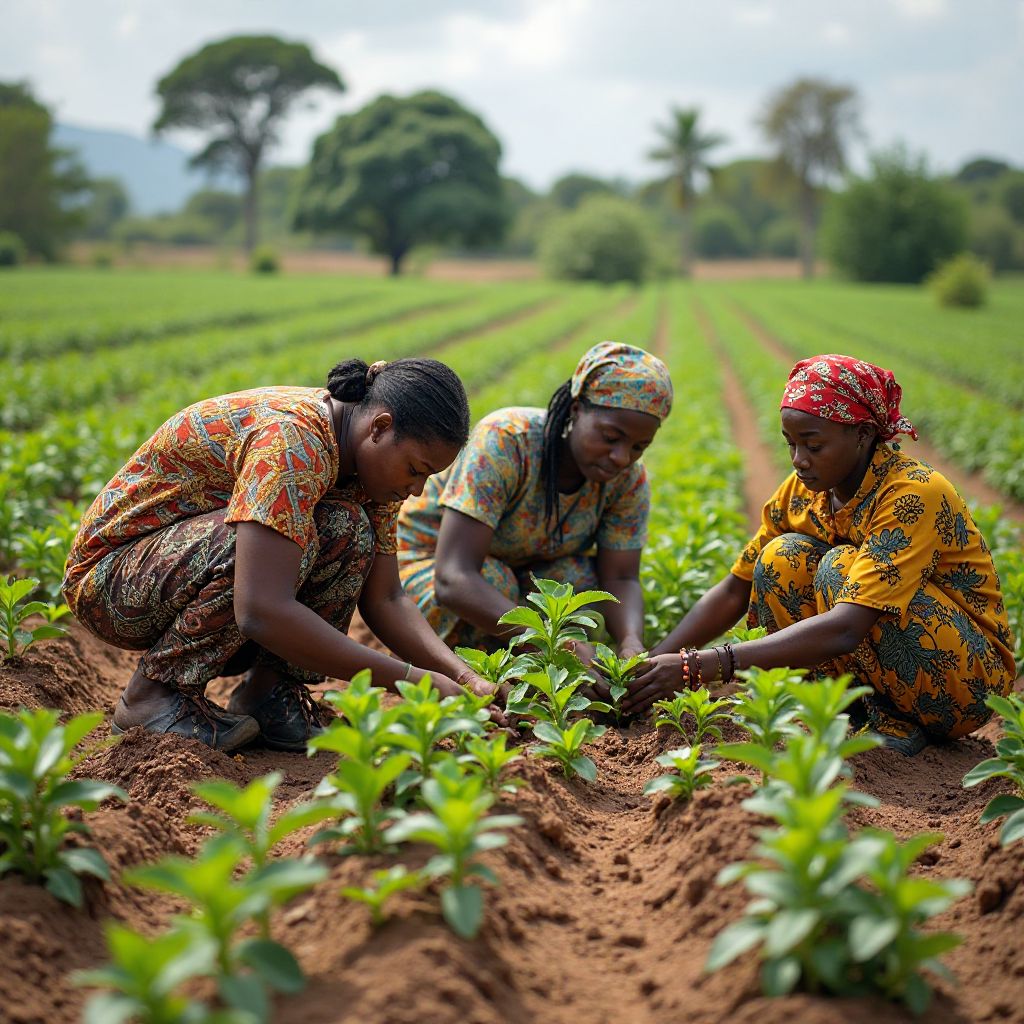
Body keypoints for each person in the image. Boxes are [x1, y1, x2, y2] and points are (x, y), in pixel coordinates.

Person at [62, 358, 496, 753]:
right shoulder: (292, 444)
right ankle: (151, 695)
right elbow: (261, 609)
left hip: (171, 571)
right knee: (272, 545)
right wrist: (412, 679)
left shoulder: (373, 472)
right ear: (379, 428)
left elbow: (385, 599)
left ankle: (269, 693)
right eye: (416, 470)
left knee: (347, 530)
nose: (417, 490)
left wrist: (463, 678)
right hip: (110, 580)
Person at [624, 354, 1015, 755]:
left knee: (838, 569)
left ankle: (895, 722)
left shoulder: (913, 493)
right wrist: (649, 668)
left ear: (862, 434)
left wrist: (702, 665)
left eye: (813, 445)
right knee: (781, 558)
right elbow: (733, 591)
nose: (799, 460)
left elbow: (848, 626)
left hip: (964, 681)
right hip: (883, 663)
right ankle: (846, 713)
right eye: (791, 444)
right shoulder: (803, 490)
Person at [396, 341, 673, 660]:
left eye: (639, 447)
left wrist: (630, 642)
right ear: (576, 410)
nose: (622, 457)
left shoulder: (628, 479)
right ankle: (463, 668)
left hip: (520, 574)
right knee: (494, 581)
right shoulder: (508, 441)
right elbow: (454, 578)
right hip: (433, 569)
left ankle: (529, 665)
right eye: (610, 438)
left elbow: (621, 576)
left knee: (579, 584)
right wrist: (554, 642)